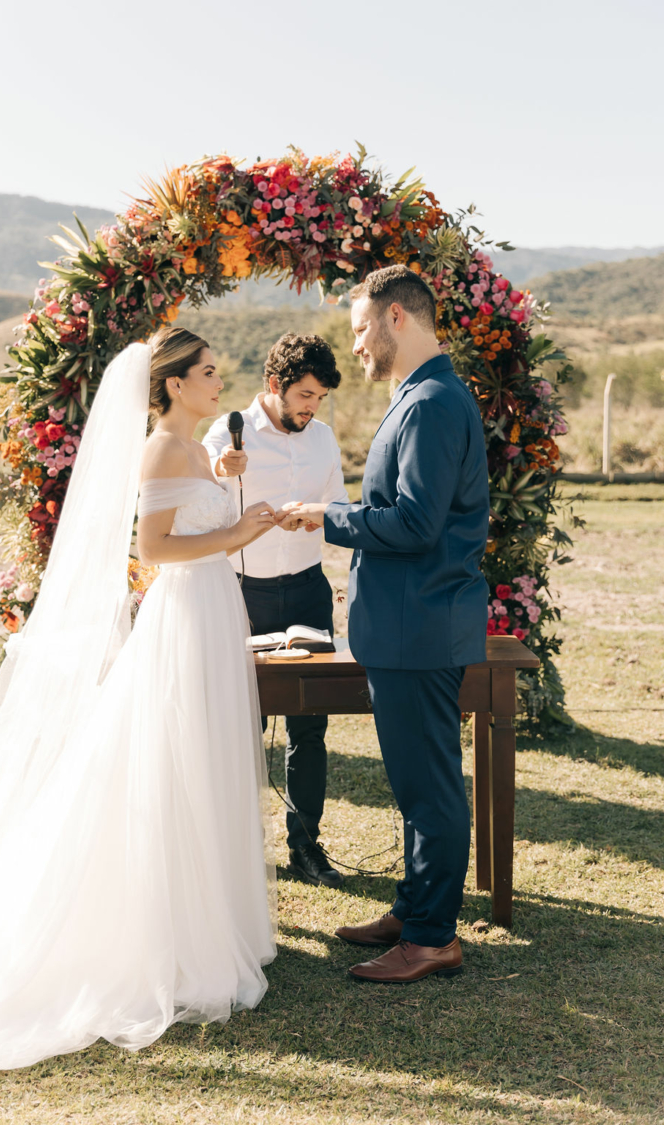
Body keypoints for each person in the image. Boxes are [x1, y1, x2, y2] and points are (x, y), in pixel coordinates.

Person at [0, 327, 280, 1084]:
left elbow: (192, 517)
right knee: (175, 759)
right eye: (209, 372)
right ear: (175, 383)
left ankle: (207, 918)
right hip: (186, 615)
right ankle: (172, 937)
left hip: (212, 613)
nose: (221, 381)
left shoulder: (190, 449)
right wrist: (236, 529)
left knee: (204, 758)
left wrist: (226, 488)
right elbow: (152, 550)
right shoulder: (160, 449)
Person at [285, 265, 490, 983]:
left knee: (430, 790)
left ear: (398, 317)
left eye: (361, 328)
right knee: (414, 784)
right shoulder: (422, 396)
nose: (358, 345)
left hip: (419, 627)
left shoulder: (432, 404)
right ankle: (414, 906)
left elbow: (415, 523)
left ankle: (433, 936)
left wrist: (327, 517)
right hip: (407, 625)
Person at [203, 333, 348, 889]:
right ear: (274, 386)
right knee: (242, 728)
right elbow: (201, 491)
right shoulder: (229, 431)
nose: (312, 407)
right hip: (243, 594)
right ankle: (236, 856)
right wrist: (221, 467)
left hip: (308, 590)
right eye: (304, 395)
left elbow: (335, 505)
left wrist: (317, 516)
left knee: (310, 728)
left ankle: (306, 848)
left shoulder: (324, 439)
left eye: (320, 398)